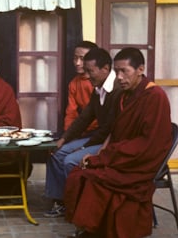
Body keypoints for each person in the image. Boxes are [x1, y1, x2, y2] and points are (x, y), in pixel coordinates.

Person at [64, 47, 172, 238]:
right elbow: (115, 133)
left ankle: (100, 231)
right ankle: (94, 229)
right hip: (125, 155)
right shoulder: (125, 95)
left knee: (97, 178)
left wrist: (107, 157)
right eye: (118, 71)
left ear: (140, 69)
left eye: (125, 71)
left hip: (141, 162)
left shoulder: (155, 96)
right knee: (80, 172)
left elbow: (147, 144)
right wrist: (100, 155)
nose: (120, 77)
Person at [44, 48, 122, 218]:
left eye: (90, 71)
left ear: (106, 69)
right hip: (98, 138)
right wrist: (64, 139)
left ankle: (78, 208)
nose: (86, 75)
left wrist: (83, 147)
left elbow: (108, 130)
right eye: (85, 70)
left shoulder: (117, 90)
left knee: (71, 160)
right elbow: (83, 119)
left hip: (110, 142)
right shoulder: (98, 87)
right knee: (56, 153)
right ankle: (60, 201)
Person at [64, 41, 98, 131]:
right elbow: (71, 113)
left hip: (99, 130)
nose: (77, 63)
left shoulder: (99, 82)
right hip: (82, 130)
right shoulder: (74, 83)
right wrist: (67, 133)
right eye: (75, 58)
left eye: (82, 59)